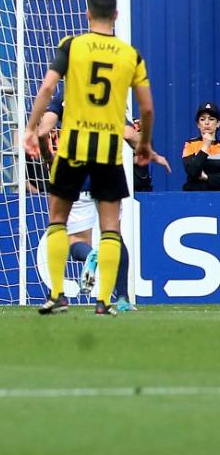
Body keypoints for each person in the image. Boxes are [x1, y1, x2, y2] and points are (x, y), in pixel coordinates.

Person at [23, 0, 154, 317]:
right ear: (116, 16)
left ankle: (55, 296)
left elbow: (47, 88)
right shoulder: (130, 55)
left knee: (57, 220)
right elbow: (147, 109)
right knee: (110, 228)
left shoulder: (72, 46)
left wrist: (30, 128)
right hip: (108, 150)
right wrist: (146, 144)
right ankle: (105, 301)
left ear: (86, 14)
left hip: (73, 147)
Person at [36, 91, 168, 312]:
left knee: (72, 237)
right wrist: (147, 151)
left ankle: (86, 258)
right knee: (113, 235)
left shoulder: (65, 95)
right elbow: (130, 135)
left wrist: (49, 158)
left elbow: (43, 133)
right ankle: (123, 298)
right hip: (106, 173)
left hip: (74, 175)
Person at [182, 101, 220, 191]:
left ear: (218, 123)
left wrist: (207, 177)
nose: (207, 123)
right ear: (198, 124)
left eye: (211, 119)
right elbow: (192, 171)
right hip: (195, 196)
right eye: (202, 119)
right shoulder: (190, 144)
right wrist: (206, 145)